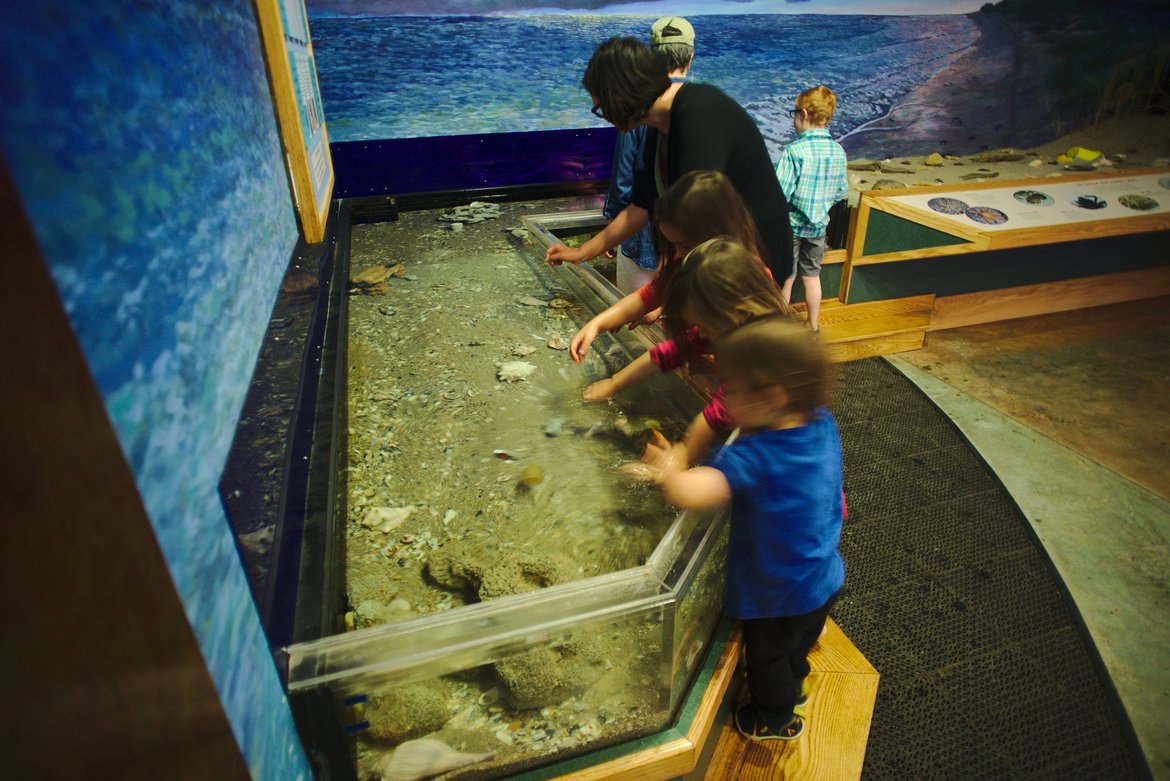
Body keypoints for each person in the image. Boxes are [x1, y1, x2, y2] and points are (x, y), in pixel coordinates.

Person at [622, 312, 845, 743]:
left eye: (734, 390)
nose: (724, 397)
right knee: (794, 650)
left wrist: (670, 469)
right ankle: (793, 685)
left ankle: (775, 719)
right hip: (824, 575)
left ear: (772, 398)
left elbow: (691, 493)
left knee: (765, 661)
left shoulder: (755, 456)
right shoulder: (821, 422)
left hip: (779, 596)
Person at [546, 36, 793, 283]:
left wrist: (666, 293)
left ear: (621, 94)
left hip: (753, 259)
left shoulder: (700, 114)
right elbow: (640, 206)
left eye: (600, 107)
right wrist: (581, 253)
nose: (603, 116)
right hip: (718, 258)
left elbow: (698, 220)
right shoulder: (658, 124)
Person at [603, 16, 696, 295]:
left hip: (641, 244)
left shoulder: (637, 109)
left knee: (635, 331)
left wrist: (613, 229)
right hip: (690, 250)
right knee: (682, 334)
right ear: (690, 58)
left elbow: (623, 181)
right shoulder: (707, 107)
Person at [775, 86, 849, 335]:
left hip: (792, 226)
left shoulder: (795, 151)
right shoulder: (838, 151)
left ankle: (779, 325)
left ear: (803, 114)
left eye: (794, 114)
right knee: (811, 276)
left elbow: (780, 193)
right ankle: (813, 324)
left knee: (786, 277)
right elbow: (841, 192)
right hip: (818, 227)